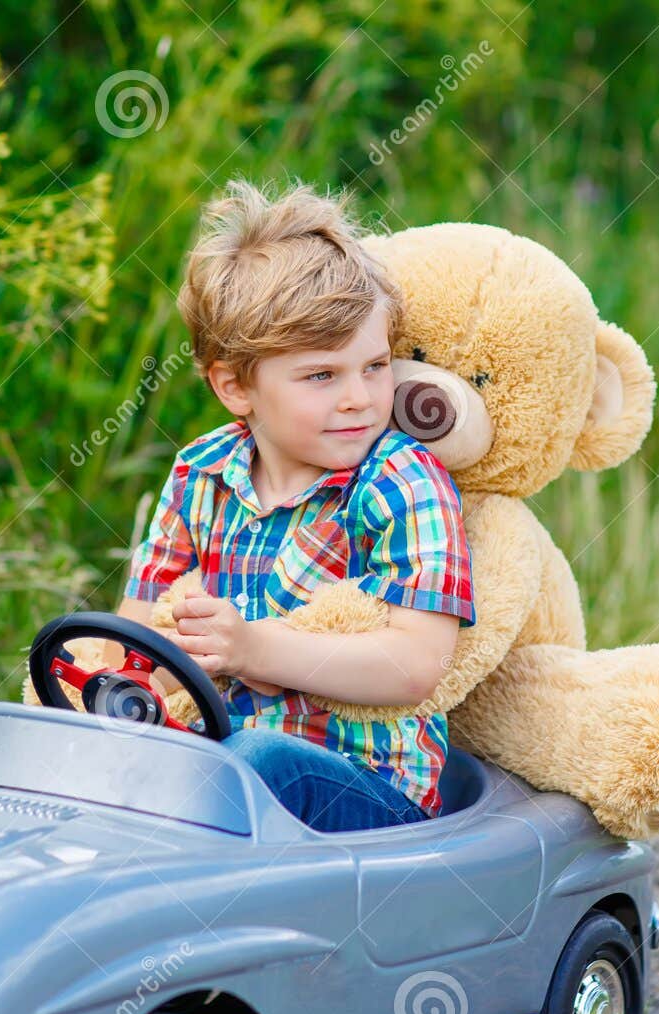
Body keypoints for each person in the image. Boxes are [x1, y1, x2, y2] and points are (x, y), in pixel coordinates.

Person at [117, 178, 473, 832]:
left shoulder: (400, 481)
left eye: (374, 365)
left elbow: (414, 665)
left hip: (366, 784)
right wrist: (131, 688)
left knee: (253, 761)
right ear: (235, 386)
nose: (360, 398)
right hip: (222, 766)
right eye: (321, 375)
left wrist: (253, 649)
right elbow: (135, 629)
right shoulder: (202, 473)